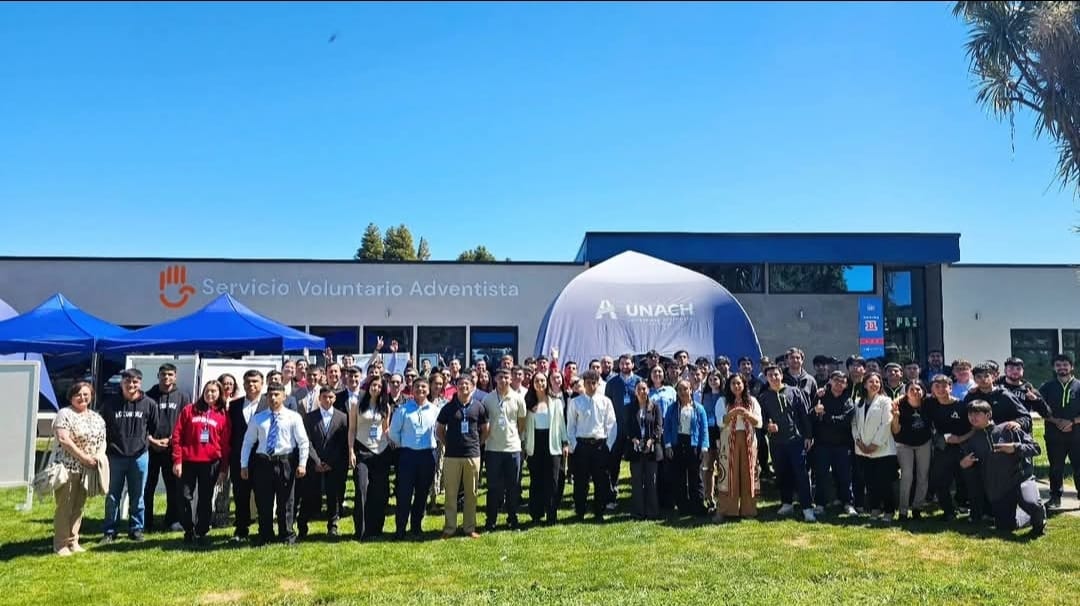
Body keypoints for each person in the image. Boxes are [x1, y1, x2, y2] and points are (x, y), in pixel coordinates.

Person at [960, 400, 1046, 536]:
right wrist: (965, 465)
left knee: (1033, 505)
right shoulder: (972, 441)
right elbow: (975, 470)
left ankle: (1039, 518)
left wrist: (1015, 448)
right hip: (999, 489)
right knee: (1005, 527)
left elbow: (1036, 448)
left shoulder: (1008, 428)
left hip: (1021, 480)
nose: (972, 417)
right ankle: (1026, 514)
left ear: (988, 415)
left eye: (977, 414)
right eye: (970, 414)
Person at [240, 383, 310, 546]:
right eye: (270, 395)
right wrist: (244, 465)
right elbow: (248, 442)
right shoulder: (258, 418)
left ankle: (287, 534)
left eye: (277, 395)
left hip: (285, 462)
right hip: (263, 463)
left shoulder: (294, 417)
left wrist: (302, 464)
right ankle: (265, 534)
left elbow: (303, 442)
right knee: (264, 501)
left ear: (284, 396)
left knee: (286, 501)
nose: (273, 398)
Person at [101, 368, 159, 543]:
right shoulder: (110, 404)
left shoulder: (149, 404)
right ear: (121, 383)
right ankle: (110, 531)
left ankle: (136, 529)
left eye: (135, 382)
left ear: (140, 383)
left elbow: (153, 428)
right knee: (112, 496)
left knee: (138, 495)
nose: (131, 385)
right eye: (127, 381)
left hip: (139, 456)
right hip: (115, 456)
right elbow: (103, 427)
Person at [171, 380, 230, 545]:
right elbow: (177, 436)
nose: (210, 394)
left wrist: (223, 469)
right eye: (207, 391)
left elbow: (225, 445)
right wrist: (178, 461)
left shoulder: (223, 415)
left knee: (205, 498)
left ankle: (202, 531)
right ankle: (188, 529)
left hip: (211, 463)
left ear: (219, 394)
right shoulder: (189, 410)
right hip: (188, 461)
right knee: (183, 496)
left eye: (214, 391)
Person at [51, 381, 107, 556]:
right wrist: (83, 457)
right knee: (65, 506)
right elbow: (64, 439)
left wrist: (96, 458)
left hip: (87, 469)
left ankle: (73, 541)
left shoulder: (96, 417)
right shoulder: (64, 414)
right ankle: (60, 544)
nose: (82, 398)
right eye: (78, 394)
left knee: (79, 507)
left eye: (86, 394)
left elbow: (103, 440)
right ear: (71, 397)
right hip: (68, 468)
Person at [759, 365, 816, 522]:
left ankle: (807, 507)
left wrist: (808, 436)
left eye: (776, 374)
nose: (774, 378)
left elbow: (804, 414)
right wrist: (767, 426)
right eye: (770, 375)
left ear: (781, 376)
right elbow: (760, 419)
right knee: (782, 473)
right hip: (777, 442)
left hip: (796, 440)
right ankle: (787, 503)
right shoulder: (764, 397)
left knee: (802, 474)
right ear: (766, 378)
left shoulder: (794, 391)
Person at [437, 376, 489, 538]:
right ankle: (450, 528)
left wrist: (477, 444)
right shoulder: (448, 407)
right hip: (452, 456)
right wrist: (448, 444)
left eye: (466, 384)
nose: (463, 386)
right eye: (460, 384)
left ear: (472, 386)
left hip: (472, 455)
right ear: (456, 387)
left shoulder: (479, 407)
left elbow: (486, 429)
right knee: (451, 493)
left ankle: (469, 527)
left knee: (471, 493)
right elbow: (440, 430)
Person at [388, 377, 439, 539]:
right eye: (417, 387)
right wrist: (404, 443)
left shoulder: (434, 410)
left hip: (427, 455)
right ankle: (400, 529)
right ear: (412, 389)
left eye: (424, 387)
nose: (420, 390)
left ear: (428, 390)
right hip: (407, 455)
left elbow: (439, 432)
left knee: (422, 493)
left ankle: (416, 527)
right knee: (404, 493)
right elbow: (393, 433)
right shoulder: (402, 410)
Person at [144, 363, 191, 533]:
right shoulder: (148, 395)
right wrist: (152, 440)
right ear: (158, 376)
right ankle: (145, 522)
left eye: (170, 374)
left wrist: (173, 439)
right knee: (148, 486)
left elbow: (186, 422)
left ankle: (172, 520)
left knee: (174, 487)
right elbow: (143, 422)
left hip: (172, 449)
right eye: (163, 374)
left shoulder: (183, 396)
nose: (166, 378)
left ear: (175, 377)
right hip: (151, 448)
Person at [566, 370, 617, 521]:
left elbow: (612, 424)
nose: (591, 385)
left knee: (600, 480)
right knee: (581, 481)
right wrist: (574, 445)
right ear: (583, 383)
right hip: (582, 445)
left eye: (593, 383)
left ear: (598, 384)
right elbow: (571, 426)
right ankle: (580, 511)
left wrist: (608, 445)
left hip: (600, 446)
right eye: (588, 382)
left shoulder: (605, 402)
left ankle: (599, 512)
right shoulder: (576, 402)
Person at [481, 368, 528, 531]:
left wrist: (515, 437)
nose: (503, 380)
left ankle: (513, 519)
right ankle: (491, 521)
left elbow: (521, 423)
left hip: (513, 449)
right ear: (495, 379)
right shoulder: (487, 400)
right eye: (500, 377)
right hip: (493, 449)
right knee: (493, 487)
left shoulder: (518, 398)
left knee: (513, 486)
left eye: (506, 377)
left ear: (511, 379)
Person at [347, 375, 392, 541]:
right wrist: (351, 451)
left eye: (380, 386)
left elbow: (385, 429)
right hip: (362, 450)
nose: (376, 388)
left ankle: (376, 528)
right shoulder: (356, 405)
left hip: (380, 451)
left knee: (379, 492)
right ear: (368, 386)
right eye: (374, 385)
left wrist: (392, 440)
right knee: (361, 489)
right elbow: (351, 430)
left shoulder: (385, 407)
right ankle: (361, 530)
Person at [300, 387, 348, 538]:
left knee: (333, 496)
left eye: (331, 397)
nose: (328, 400)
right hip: (314, 463)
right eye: (325, 397)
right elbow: (306, 440)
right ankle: (302, 525)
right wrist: (316, 461)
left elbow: (342, 443)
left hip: (333, 464)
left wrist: (330, 462)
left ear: (334, 399)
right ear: (319, 398)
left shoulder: (342, 417)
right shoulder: (309, 417)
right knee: (308, 495)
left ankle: (332, 525)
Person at [523, 372, 569, 525]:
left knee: (553, 481)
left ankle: (551, 513)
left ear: (547, 382)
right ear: (532, 383)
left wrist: (565, 442)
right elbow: (524, 427)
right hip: (535, 444)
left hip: (552, 444)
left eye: (542, 380)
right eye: (537, 380)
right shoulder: (528, 402)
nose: (540, 383)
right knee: (536, 480)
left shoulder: (555, 402)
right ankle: (536, 514)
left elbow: (561, 424)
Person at [715, 373, 762, 521]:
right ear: (729, 386)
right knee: (728, 475)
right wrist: (733, 413)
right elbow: (720, 422)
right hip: (729, 440)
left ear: (744, 385)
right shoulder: (722, 401)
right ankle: (726, 510)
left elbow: (759, 423)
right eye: (733, 383)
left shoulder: (752, 401)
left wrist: (747, 414)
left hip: (748, 441)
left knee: (748, 473)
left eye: (739, 383)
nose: (736, 386)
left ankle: (748, 510)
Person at [852, 372, 897, 523]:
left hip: (882, 449)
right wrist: (859, 441)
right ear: (864, 384)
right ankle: (875, 509)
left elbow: (886, 424)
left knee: (884, 482)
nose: (874, 384)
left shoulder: (885, 401)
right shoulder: (858, 401)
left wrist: (874, 445)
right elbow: (854, 424)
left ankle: (889, 511)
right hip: (862, 449)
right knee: (870, 482)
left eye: (877, 382)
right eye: (871, 382)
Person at [924, 374, 970, 521]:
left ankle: (965, 505)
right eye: (937, 386)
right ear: (932, 389)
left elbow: (974, 427)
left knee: (963, 479)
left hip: (962, 447)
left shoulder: (962, 406)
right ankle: (949, 511)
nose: (941, 389)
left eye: (945, 386)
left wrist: (960, 439)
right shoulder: (929, 404)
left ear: (951, 387)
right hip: (942, 448)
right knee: (939, 481)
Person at [227, 370, 266, 543]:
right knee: (240, 495)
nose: (251, 385)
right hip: (238, 459)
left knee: (262, 494)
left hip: (261, 459)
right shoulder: (234, 406)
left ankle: (264, 529)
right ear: (242, 385)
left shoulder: (269, 403)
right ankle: (241, 528)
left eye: (255, 381)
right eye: (248, 382)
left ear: (262, 383)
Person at [811, 371, 857, 516]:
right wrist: (816, 412)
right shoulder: (820, 397)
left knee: (844, 476)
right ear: (830, 381)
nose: (839, 383)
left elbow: (844, 421)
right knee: (821, 476)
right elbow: (811, 415)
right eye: (836, 380)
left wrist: (825, 417)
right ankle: (820, 504)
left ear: (846, 385)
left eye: (842, 381)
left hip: (842, 446)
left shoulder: (848, 400)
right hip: (822, 444)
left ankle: (847, 503)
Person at [1038, 354, 1080, 510]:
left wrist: (1072, 422)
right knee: (1056, 468)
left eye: (1065, 364)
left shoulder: (1079, 386)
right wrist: (1057, 422)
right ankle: (1055, 498)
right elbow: (1040, 410)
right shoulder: (1047, 387)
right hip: (1054, 436)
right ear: (1053, 368)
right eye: (1058, 365)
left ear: (1071, 367)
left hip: (1077, 436)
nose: (1062, 368)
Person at [662, 379, 709, 516]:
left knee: (696, 477)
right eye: (680, 389)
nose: (683, 392)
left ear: (691, 390)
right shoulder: (672, 408)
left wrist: (704, 447)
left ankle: (698, 505)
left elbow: (704, 429)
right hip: (677, 444)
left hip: (693, 445)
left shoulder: (699, 408)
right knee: (679, 477)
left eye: (685, 389)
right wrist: (668, 445)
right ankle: (683, 506)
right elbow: (667, 428)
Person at [603, 354, 641, 510]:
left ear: (633, 364)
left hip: (634, 429)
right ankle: (611, 496)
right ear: (619, 365)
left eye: (628, 363)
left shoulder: (639, 381)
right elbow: (606, 405)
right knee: (613, 464)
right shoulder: (612, 383)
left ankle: (637, 497)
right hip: (616, 429)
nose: (625, 366)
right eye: (623, 364)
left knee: (637, 464)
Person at [891, 381, 932, 521]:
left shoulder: (928, 403)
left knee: (923, 476)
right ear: (906, 392)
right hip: (904, 444)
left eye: (918, 389)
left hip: (924, 443)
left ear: (923, 391)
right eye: (912, 389)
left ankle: (917, 508)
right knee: (907, 475)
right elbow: (895, 430)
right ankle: (903, 511)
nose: (915, 392)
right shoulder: (899, 405)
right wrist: (895, 417)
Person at [626, 381, 663, 520]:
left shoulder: (655, 407)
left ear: (648, 390)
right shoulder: (630, 408)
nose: (642, 391)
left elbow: (659, 427)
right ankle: (638, 512)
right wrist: (633, 439)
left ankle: (652, 511)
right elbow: (627, 427)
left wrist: (652, 439)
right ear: (635, 392)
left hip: (652, 449)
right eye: (639, 389)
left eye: (644, 389)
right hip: (635, 449)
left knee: (651, 481)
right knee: (636, 481)